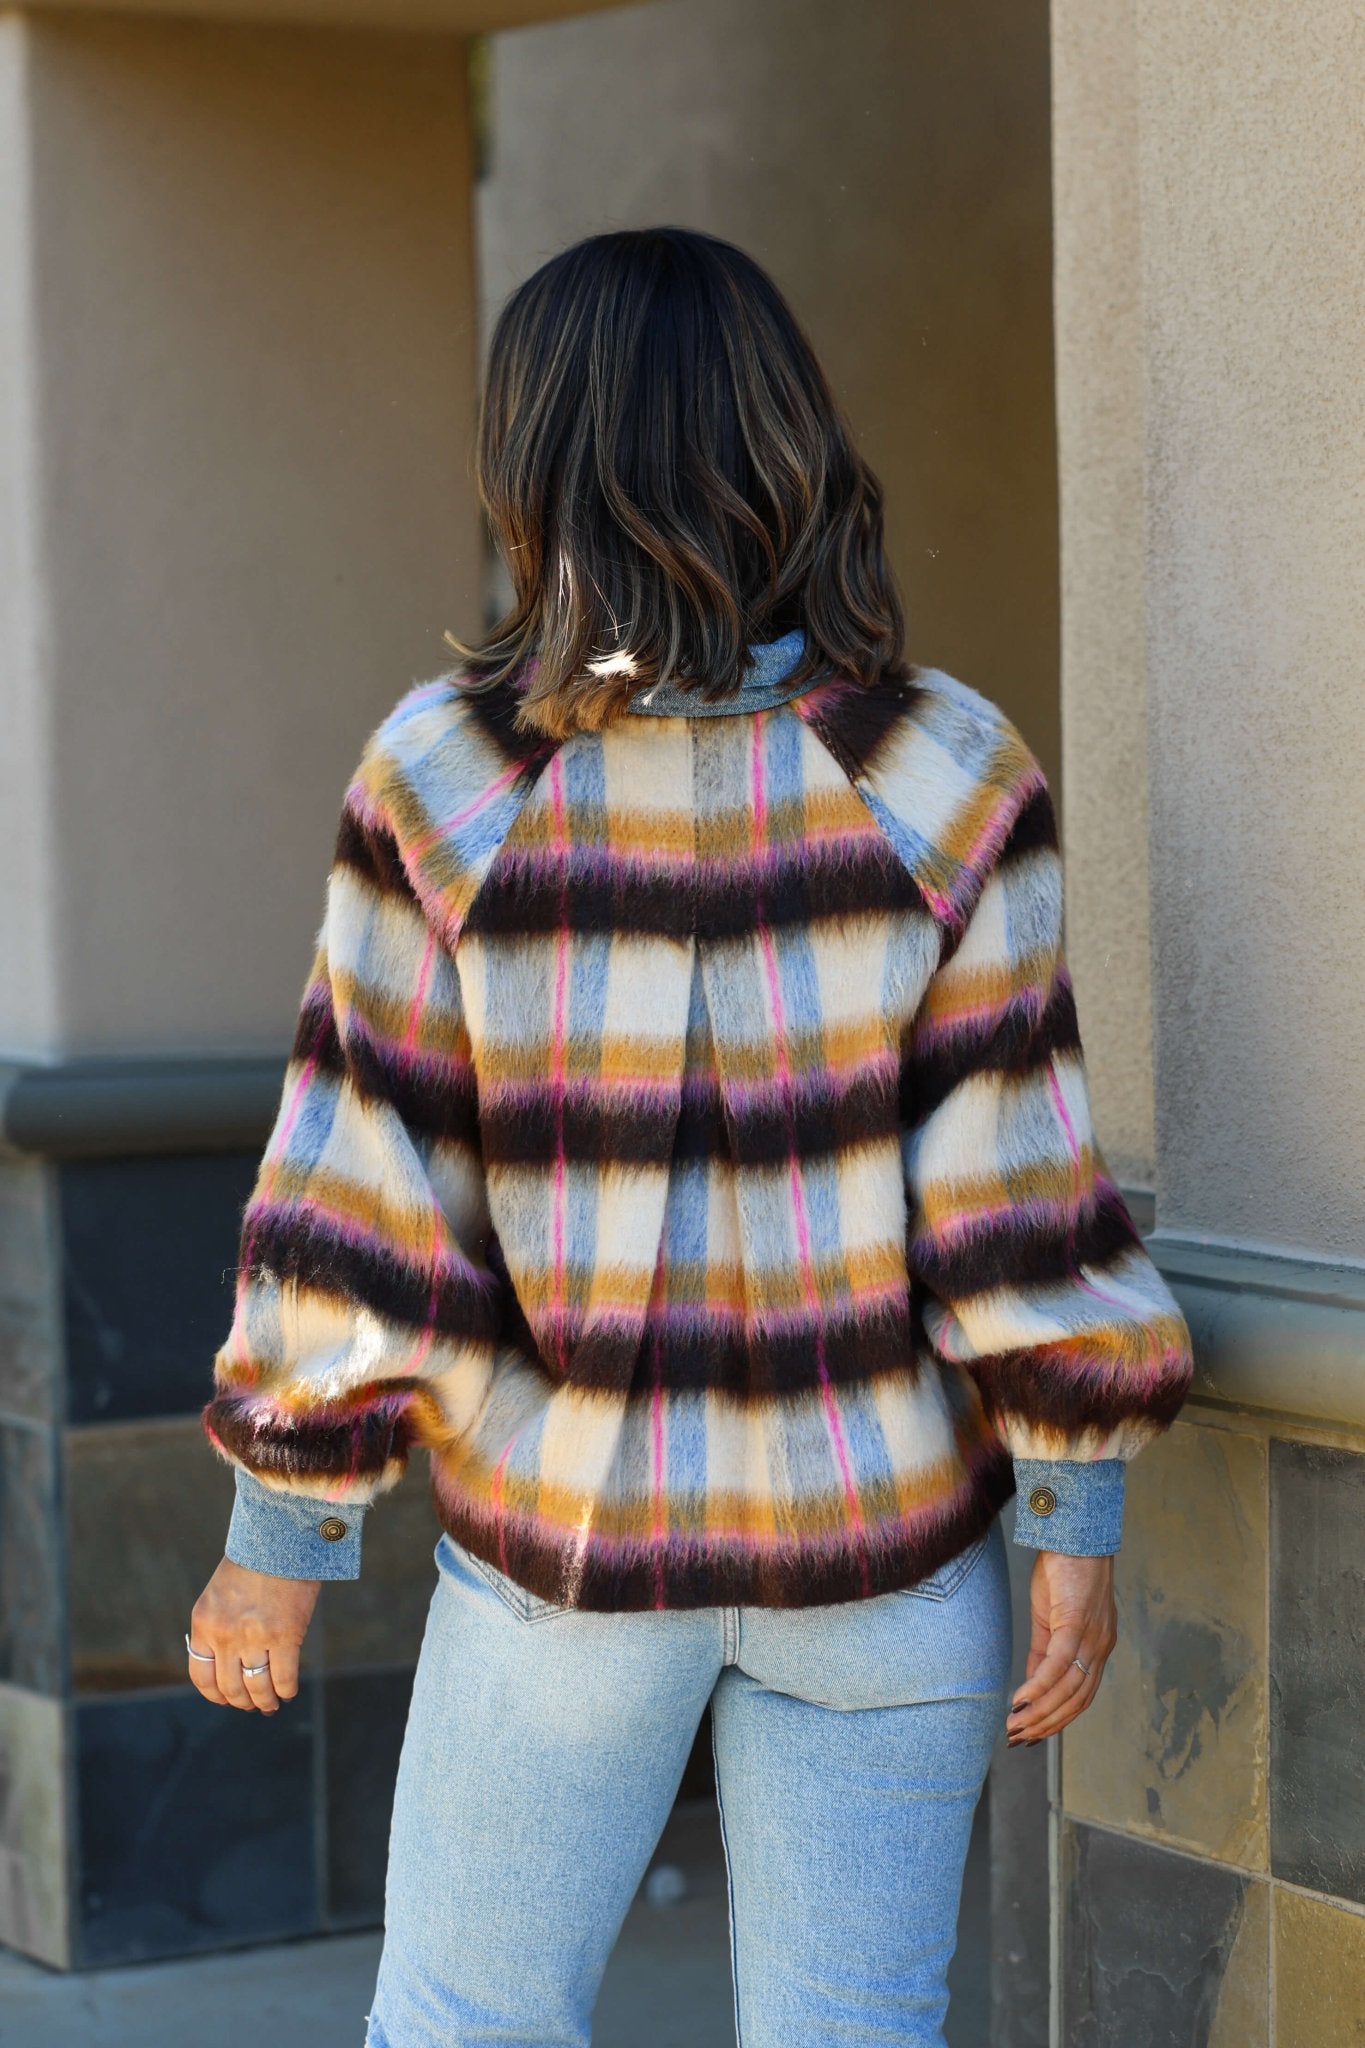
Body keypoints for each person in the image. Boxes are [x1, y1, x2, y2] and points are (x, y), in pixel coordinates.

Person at [186, 226, 1194, 2047]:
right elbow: (1017, 1193)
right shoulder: (946, 767)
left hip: (571, 1559)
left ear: (537, 457)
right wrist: (1073, 1507)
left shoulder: (452, 774)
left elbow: (366, 1190)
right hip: (888, 1560)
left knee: (466, 2022)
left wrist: (285, 1522)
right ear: (783, 441)